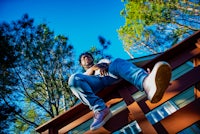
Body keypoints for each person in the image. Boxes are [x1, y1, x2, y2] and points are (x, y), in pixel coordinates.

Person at [68, 52, 172, 131]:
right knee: (73, 79)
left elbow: (110, 64)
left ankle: (146, 83)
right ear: (81, 64)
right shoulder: (81, 75)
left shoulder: (102, 60)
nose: (86, 57)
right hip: (94, 83)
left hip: (109, 75)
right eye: (83, 57)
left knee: (117, 61)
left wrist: (105, 65)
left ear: (92, 58)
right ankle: (101, 110)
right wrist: (93, 69)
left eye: (88, 55)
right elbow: (81, 83)